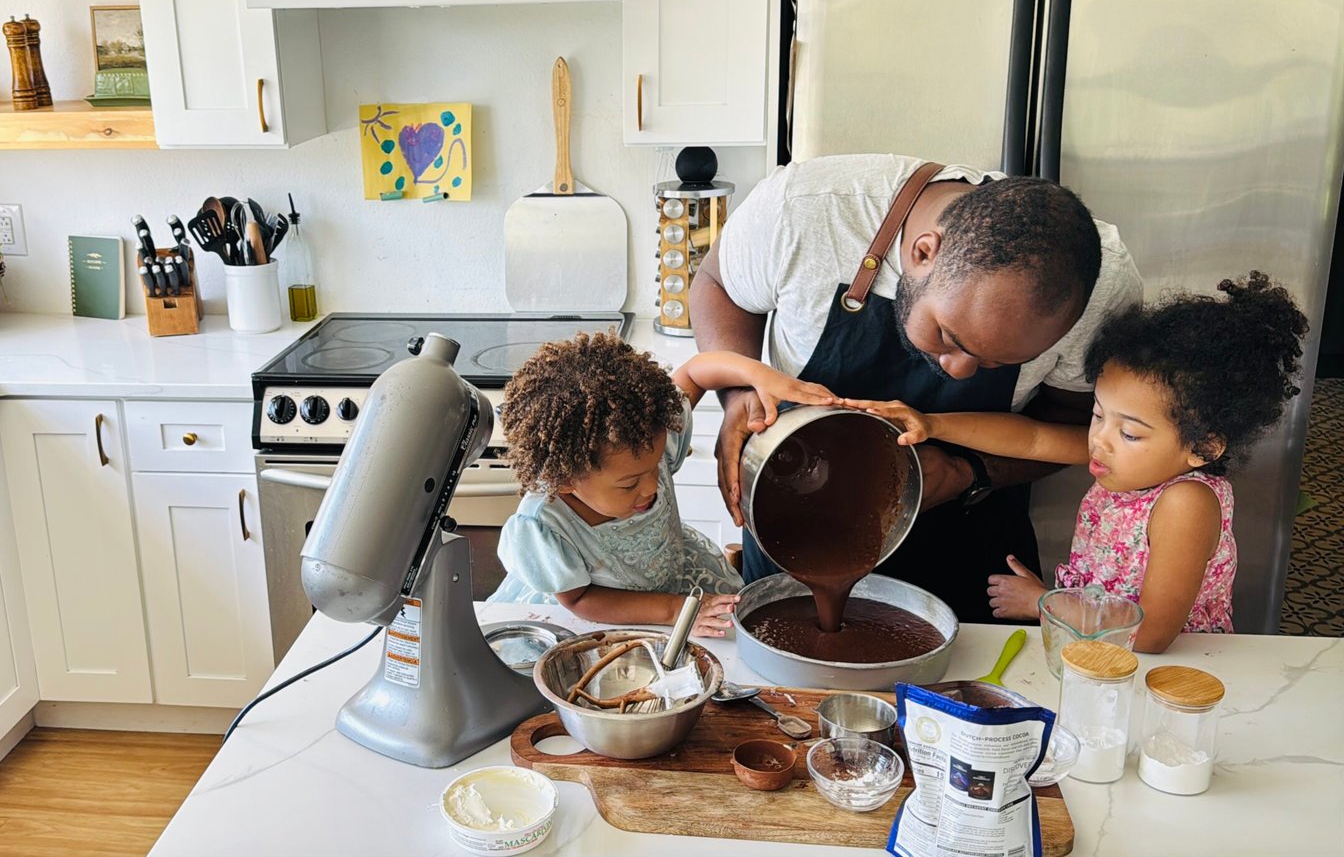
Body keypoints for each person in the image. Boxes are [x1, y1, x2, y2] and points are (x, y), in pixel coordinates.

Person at [691, 153, 1142, 624]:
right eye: (949, 337)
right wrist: (738, 391)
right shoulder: (803, 210)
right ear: (923, 252)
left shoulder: (1100, 289)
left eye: (1000, 362)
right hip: (796, 516)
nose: (962, 371)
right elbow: (717, 283)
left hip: (969, 543)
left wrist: (967, 471)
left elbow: (1071, 426)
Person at [843, 272, 1308, 651]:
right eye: (1098, 415)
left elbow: (1148, 634)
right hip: (1099, 652)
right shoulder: (1130, 463)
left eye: (1129, 432)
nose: (1099, 441)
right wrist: (933, 424)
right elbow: (1031, 437)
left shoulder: (1185, 504)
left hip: (1167, 676)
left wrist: (1044, 604)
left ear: (1203, 448)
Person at [487, 333, 833, 635]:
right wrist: (673, 610)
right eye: (629, 484)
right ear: (565, 482)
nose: (652, 487)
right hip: (605, 616)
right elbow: (580, 599)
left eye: (655, 468)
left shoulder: (641, 439)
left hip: (675, 581)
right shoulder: (544, 526)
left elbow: (697, 372)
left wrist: (761, 375)